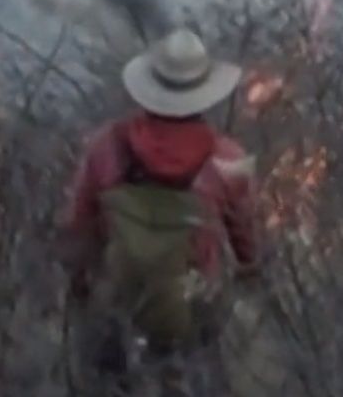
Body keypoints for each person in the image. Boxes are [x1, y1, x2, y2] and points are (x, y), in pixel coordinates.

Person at [60, 28, 262, 394]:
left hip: (120, 296)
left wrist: (80, 288)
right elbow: (244, 236)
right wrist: (250, 269)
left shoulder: (108, 146)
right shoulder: (226, 157)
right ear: (203, 95)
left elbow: (79, 223)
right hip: (192, 304)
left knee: (107, 379)